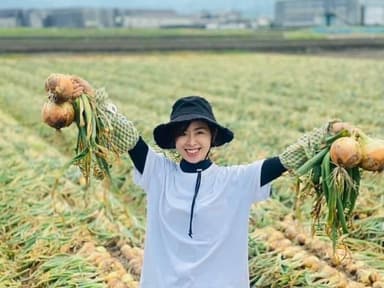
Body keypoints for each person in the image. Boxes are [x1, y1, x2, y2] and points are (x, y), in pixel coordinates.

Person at [73, 78, 352, 288]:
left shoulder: (235, 181)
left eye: (199, 132)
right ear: (173, 141)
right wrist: (94, 99)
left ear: (212, 137)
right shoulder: (159, 174)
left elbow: (286, 160)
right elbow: (129, 137)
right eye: (183, 134)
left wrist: (328, 134)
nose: (191, 142)